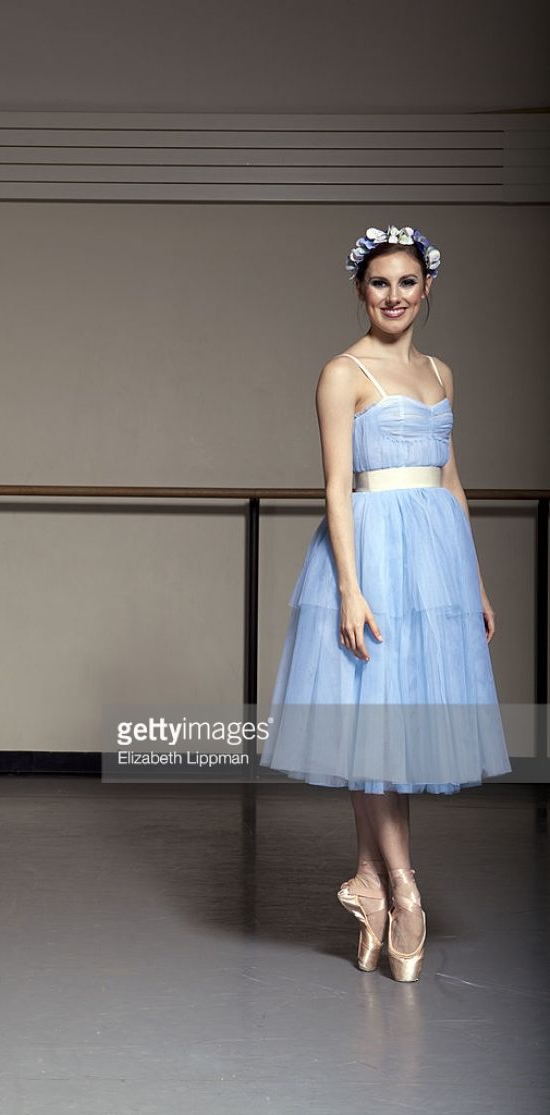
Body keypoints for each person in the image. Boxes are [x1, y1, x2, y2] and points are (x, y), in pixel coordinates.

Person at [259, 224, 512, 982]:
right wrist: (348, 586)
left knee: (391, 727)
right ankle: (402, 887)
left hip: (433, 561)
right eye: (380, 283)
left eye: (407, 282)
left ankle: (368, 882)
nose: (394, 295)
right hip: (371, 556)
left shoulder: (440, 371)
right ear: (360, 290)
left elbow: (450, 478)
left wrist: (473, 581)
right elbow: (337, 484)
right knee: (379, 723)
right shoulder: (343, 372)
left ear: (427, 287)